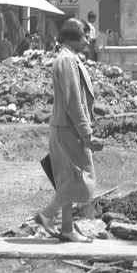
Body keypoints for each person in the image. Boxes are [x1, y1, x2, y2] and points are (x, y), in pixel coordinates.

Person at [34, 19, 104, 243]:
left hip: (66, 126)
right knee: (79, 179)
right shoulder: (66, 61)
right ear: (74, 37)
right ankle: (47, 215)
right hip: (67, 128)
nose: (87, 40)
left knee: (68, 179)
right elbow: (74, 102)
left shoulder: (68, 58)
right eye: (84, 36)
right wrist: (87, 134)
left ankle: (66, 229)